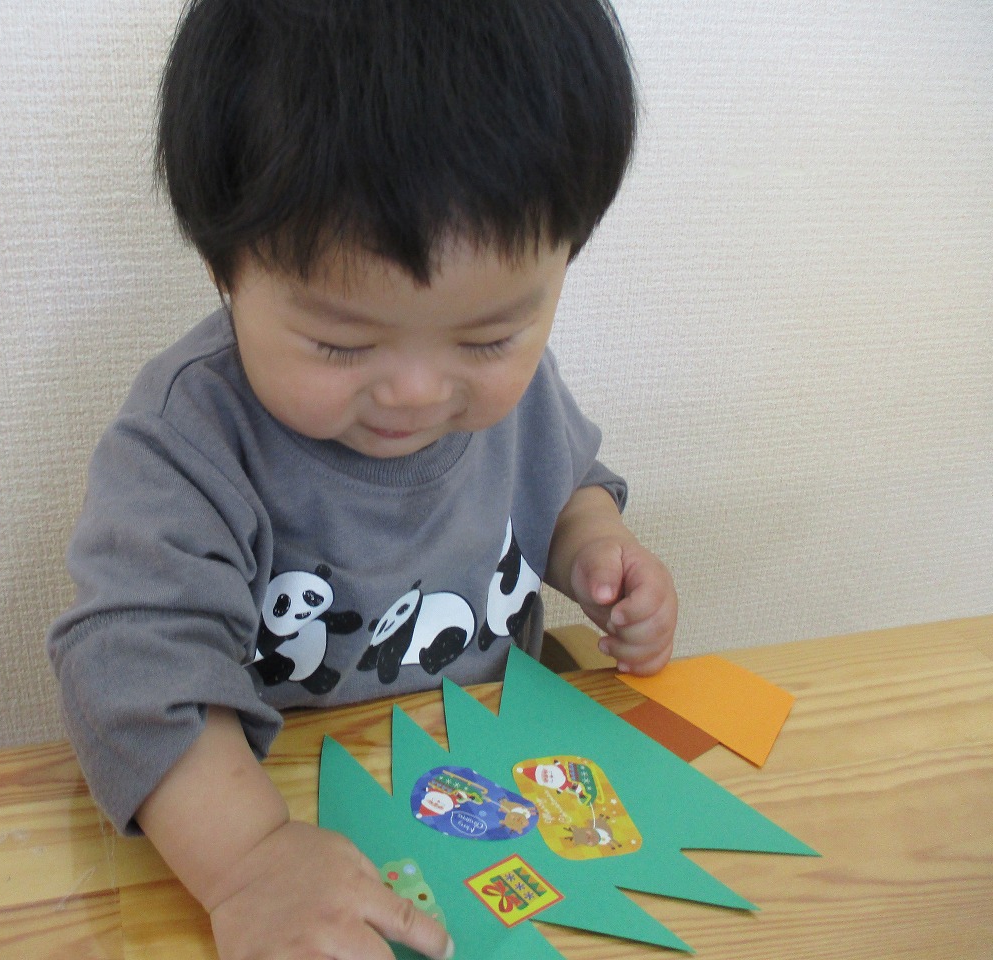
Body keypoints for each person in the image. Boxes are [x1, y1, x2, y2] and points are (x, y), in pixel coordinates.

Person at [47, 0, 676, 957]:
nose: (418, 392)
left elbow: (565, 484)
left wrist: (597, 545)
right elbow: (128, 668)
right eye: (342, 344)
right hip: (280, 822)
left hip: (491, 805)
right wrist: (249, 861)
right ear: (225, 272)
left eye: (489, 337)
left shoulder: (518, 396)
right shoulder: (192, 440)